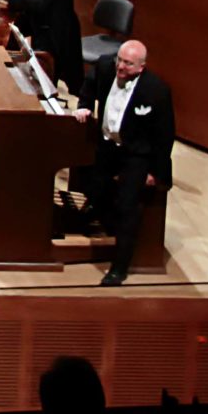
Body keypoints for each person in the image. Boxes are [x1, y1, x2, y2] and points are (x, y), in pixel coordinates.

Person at [76, 39, 174, 287]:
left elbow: (164, 135)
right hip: (108, 145)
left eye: (128, 64)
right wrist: (85, 106)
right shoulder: (105, 67)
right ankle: (103, 222)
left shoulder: (156, 91)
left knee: (128, 207)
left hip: (136, 153)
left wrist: (156, 172)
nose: (120, 66)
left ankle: (119, 267)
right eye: (119, 60)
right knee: (94, 186)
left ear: (141, 67)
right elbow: (89, 83)